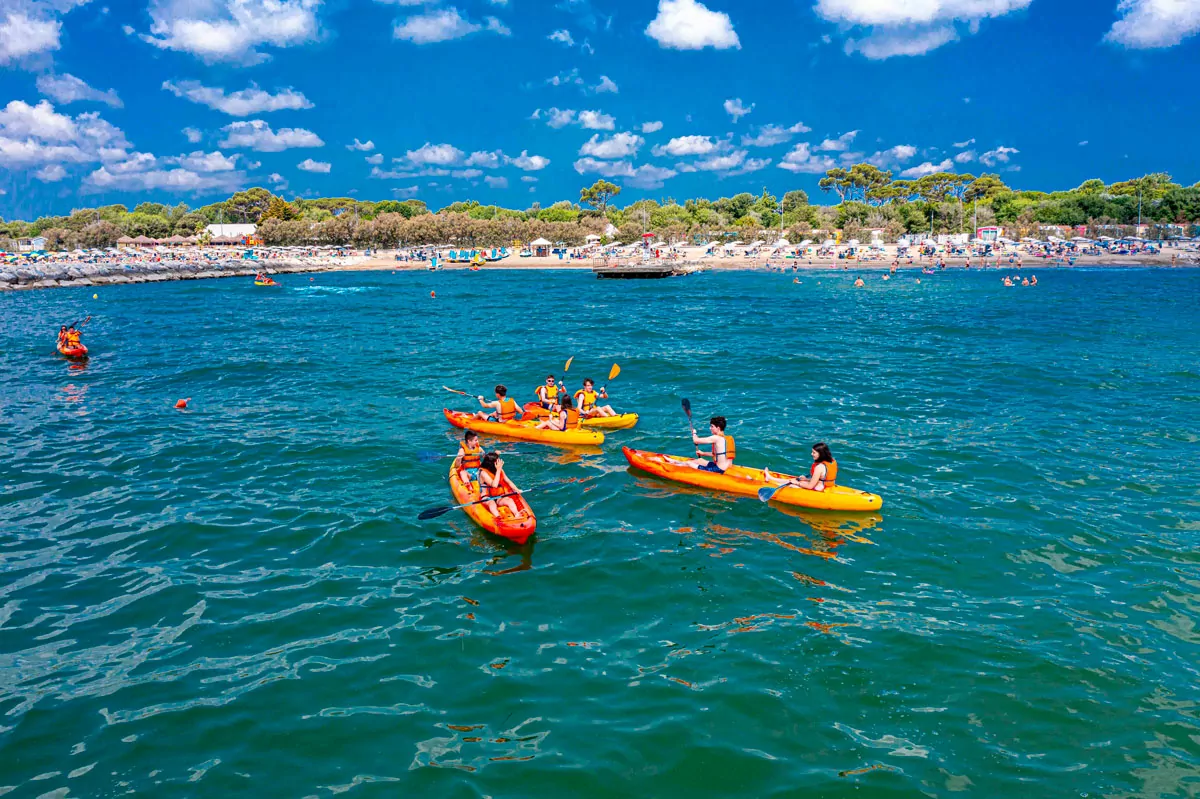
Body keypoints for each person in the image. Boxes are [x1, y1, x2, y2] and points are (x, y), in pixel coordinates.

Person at [764, 443, 838, 492]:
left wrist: (797, 483)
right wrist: (806, 479)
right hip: (825, 486)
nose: (811, 454)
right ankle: (770, 478)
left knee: (792, 484)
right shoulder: (831, 461)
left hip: (819, 488)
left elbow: (810, 486)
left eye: (814, 452)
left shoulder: (820, 467)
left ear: (821, 454)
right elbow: (823, 478)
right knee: (796, 480)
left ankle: (771, 482)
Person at [478, 452, 524, 519]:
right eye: (498, 461)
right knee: (492, 504)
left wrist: (516, 489)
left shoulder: (500, 470)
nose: (500, 462)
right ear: (492, 463)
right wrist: (498, 470)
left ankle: (516, 514)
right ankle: (498, 517)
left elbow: (508, 481)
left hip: (499, 496)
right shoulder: (483, 473)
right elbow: (494, 485)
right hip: (487, 497)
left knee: (509, 500)